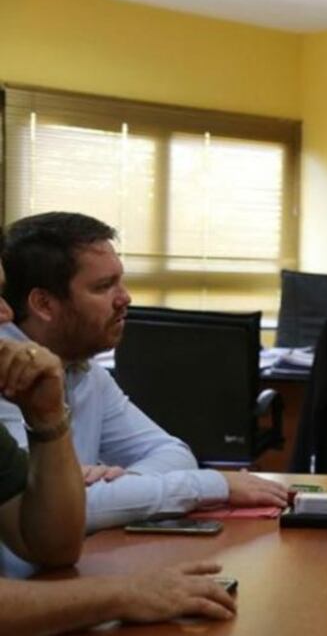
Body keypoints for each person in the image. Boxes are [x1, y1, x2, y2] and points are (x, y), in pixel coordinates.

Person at [0, 239, 236, 633]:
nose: (6, 312)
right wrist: (123, 594)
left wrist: (48, 421)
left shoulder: (66, 375)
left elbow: (55, 547)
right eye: (102, 286)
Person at [0, 212, 287, 534]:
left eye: (119, 281)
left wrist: (119, 488)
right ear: (44, 304)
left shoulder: (84, 372)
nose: (125, 298)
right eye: (103, 287)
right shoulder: (7, 378)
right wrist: (213, 484)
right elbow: (51, 515)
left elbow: (173, 454)